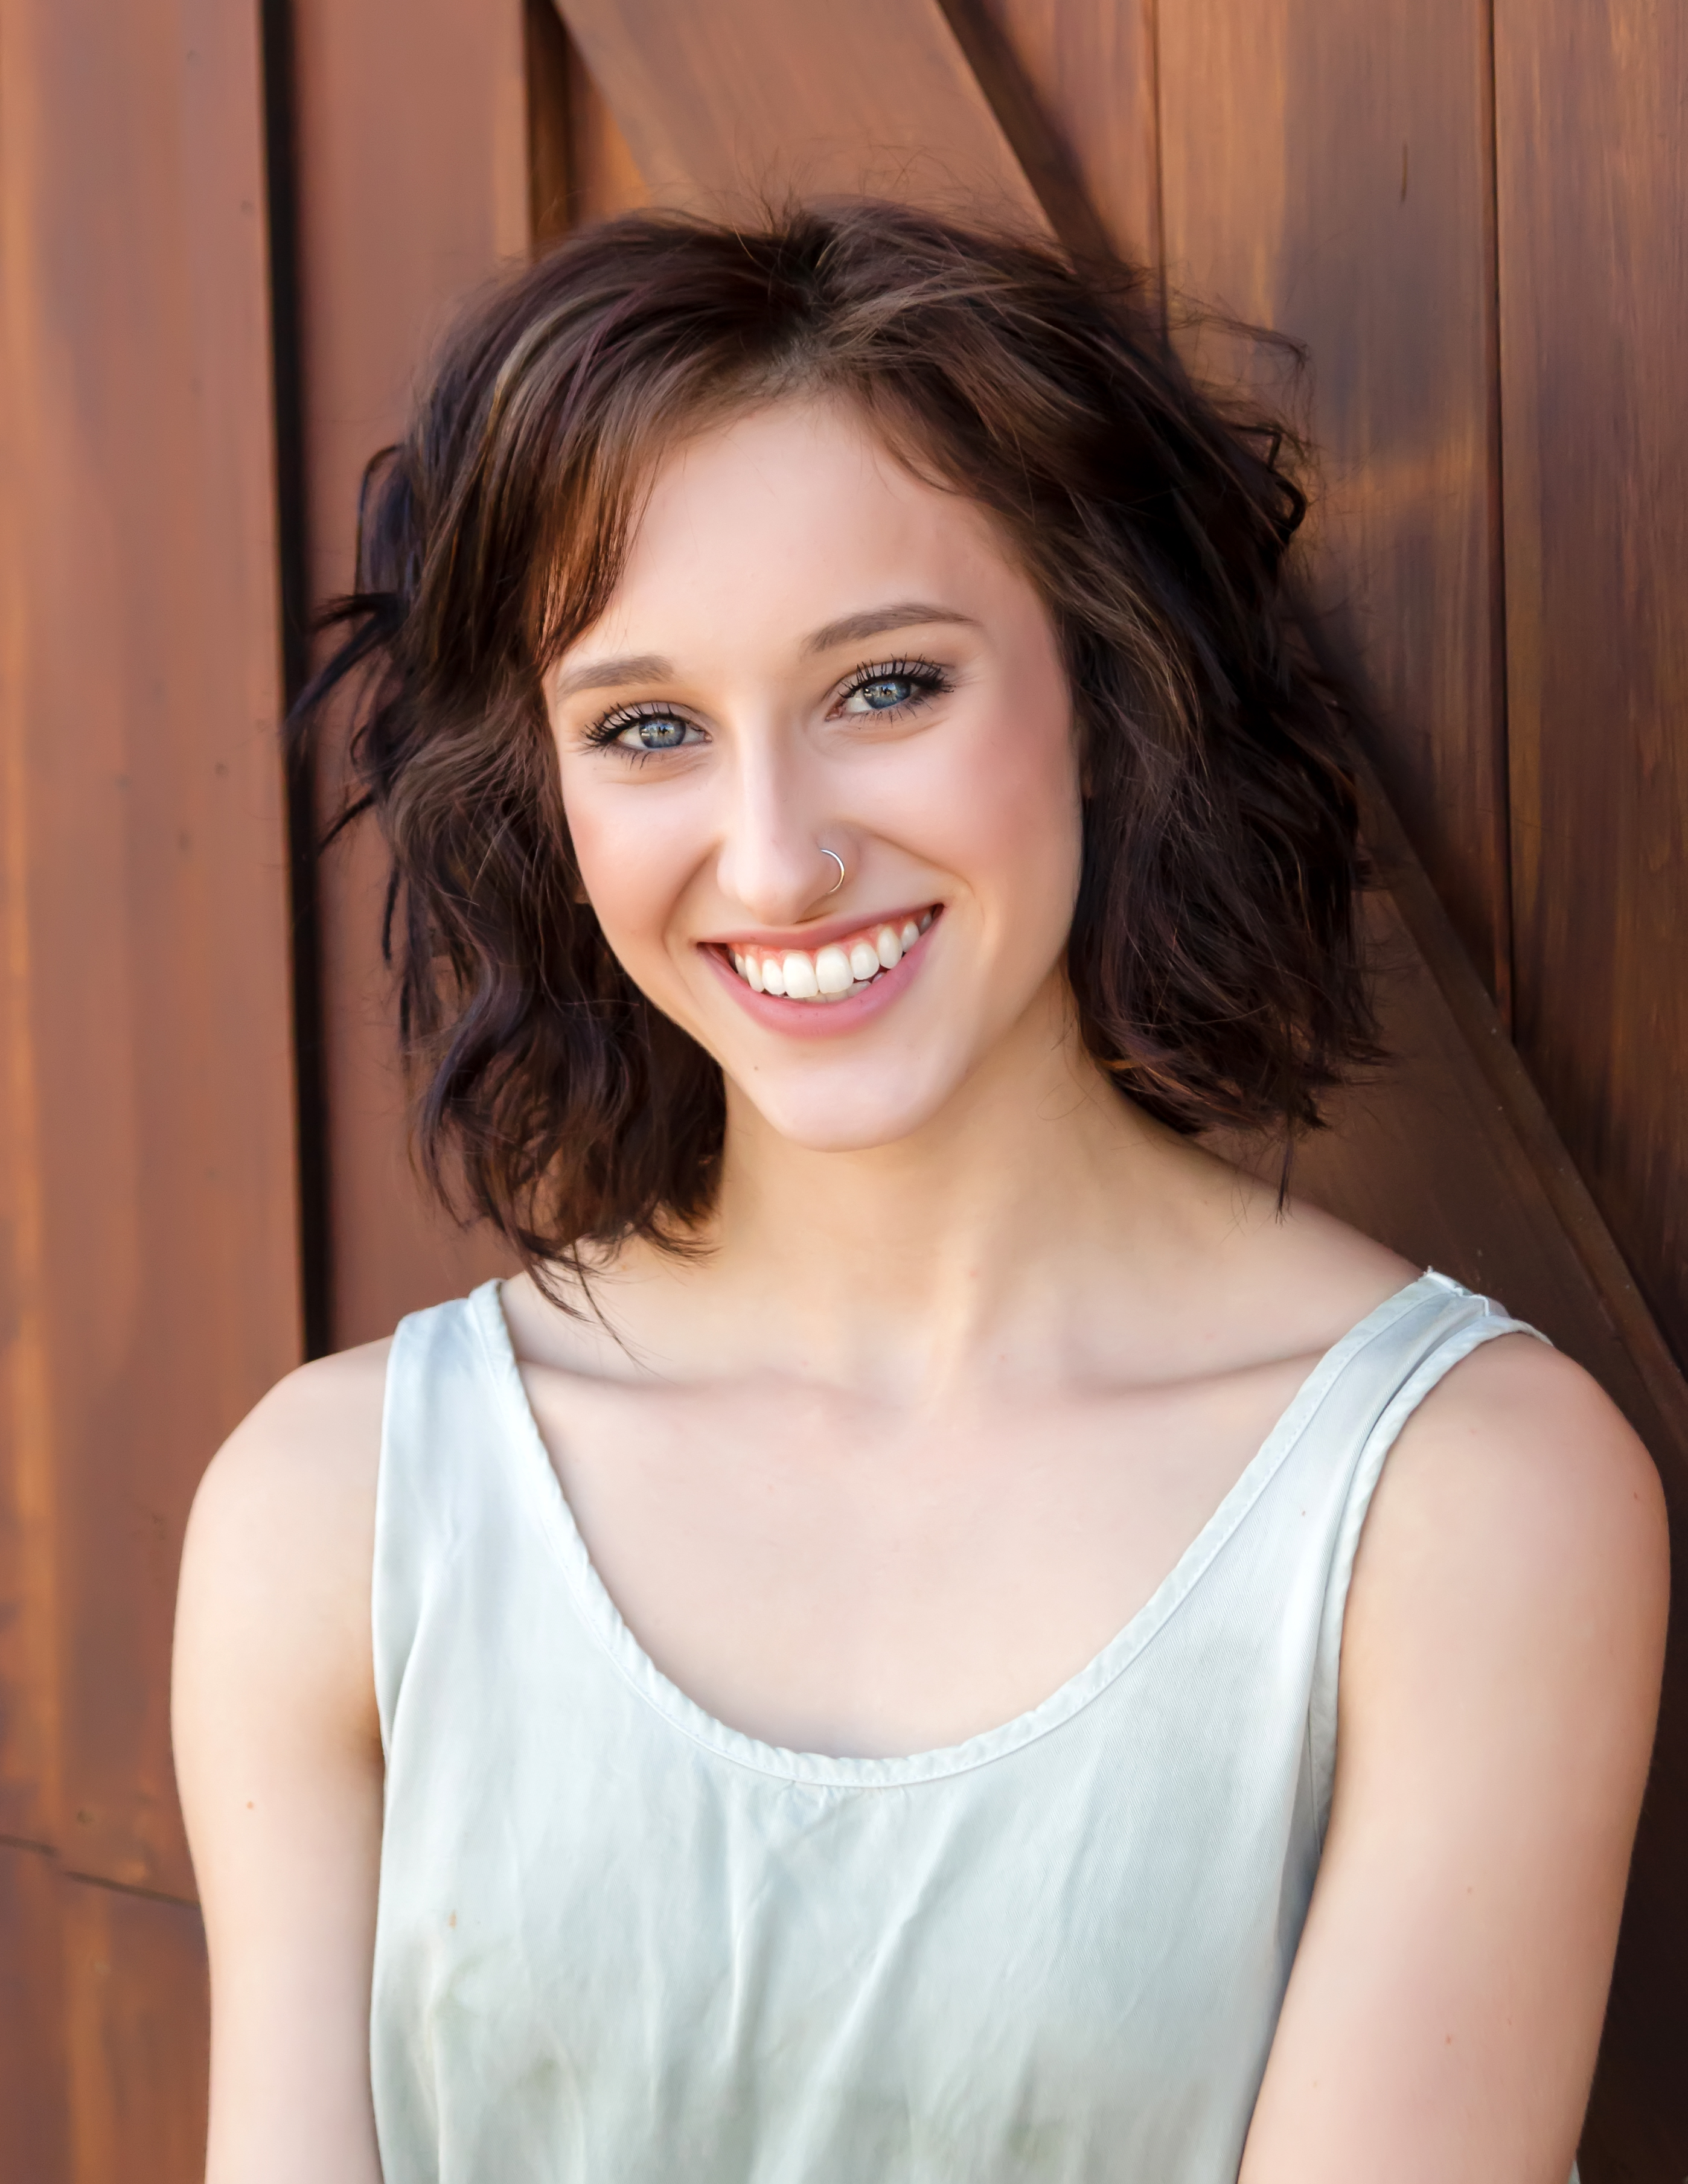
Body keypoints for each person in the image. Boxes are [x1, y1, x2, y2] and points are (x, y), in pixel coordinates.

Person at [171, 202, 1666, 2184]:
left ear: (1105, 682)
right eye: (646, 728)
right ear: (545, 796)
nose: (775, 861)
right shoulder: (335, 1513)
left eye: (885, 687)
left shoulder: (1459, 1499)